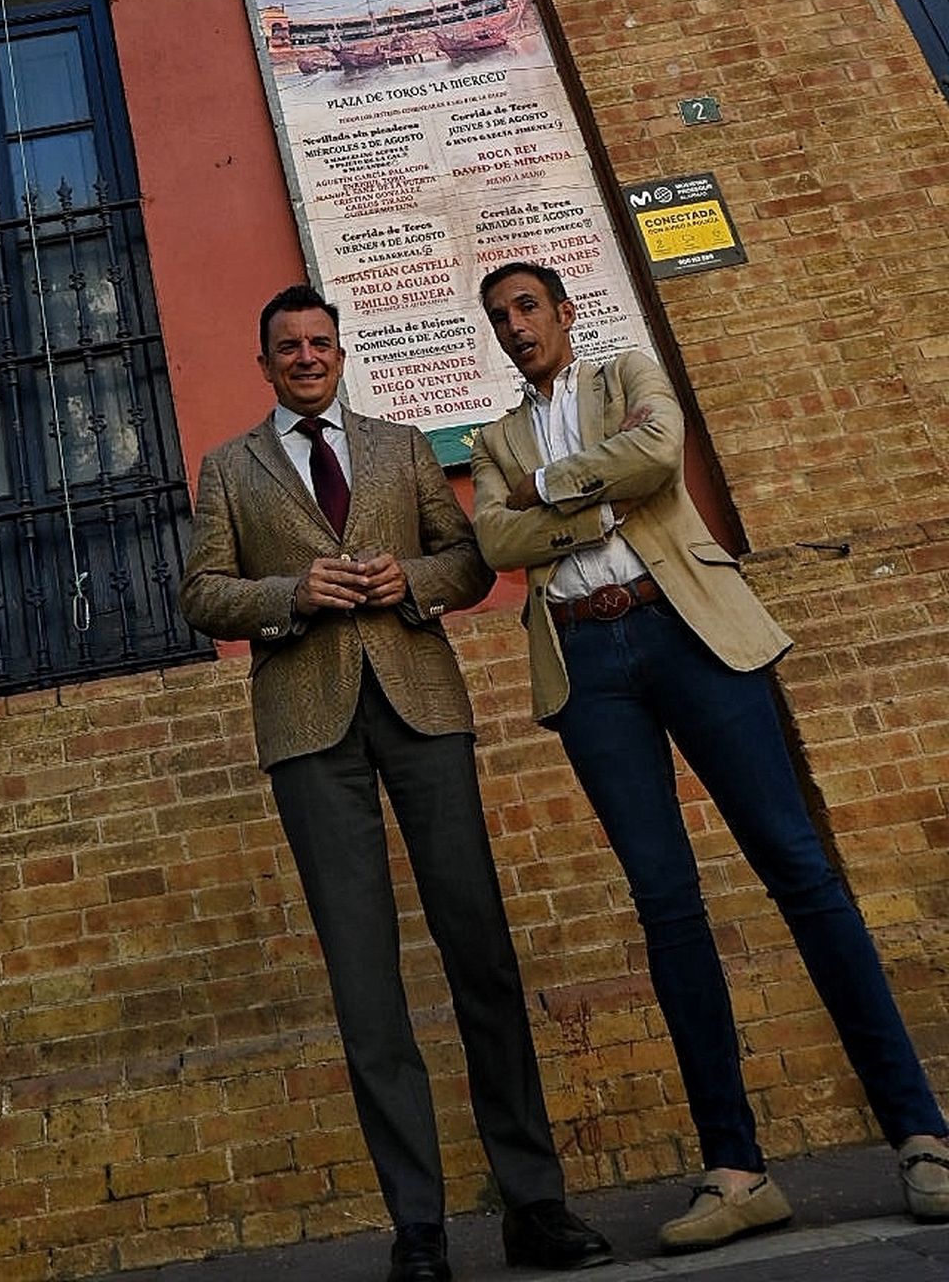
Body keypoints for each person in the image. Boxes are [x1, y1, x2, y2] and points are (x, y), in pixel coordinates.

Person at [471, 260, 949, 1254]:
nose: (516, 327)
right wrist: (578, 502)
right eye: (499, 317)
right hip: (585, 661)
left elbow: (655, 456)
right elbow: (490, 538)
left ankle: (920, 1134)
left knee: (801, 871)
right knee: (665, 903)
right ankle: (735, 1170)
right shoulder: (490, 439)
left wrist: (554, 489)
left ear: (563, 313)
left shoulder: (628, 372)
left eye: (528, 308)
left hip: (687, 630)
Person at [179, 283, 612, 1282]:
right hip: (307, 725)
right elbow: (201, 594)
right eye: (286, 345)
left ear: (340, 353)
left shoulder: (401, 445)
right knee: (364, 980)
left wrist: (405, 582)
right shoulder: (229, 468)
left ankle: (533, 1204)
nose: (305, 356)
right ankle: (416, 1224)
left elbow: (467, 562)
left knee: (481, 951)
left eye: (319, 342)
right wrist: (292, 592)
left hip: (421, 706)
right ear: (265, 363)